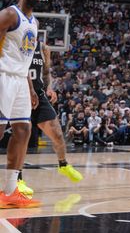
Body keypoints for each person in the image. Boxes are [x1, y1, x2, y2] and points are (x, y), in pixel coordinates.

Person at [17, 42, 83, 198]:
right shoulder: (17, 43)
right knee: (22, 139)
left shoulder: (43, 48)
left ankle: (63, 164)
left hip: (39, 96)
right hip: (20, 95)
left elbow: (46, 72)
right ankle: (18, 179)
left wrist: (49, 87)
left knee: (58, 135)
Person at [0, 0, 43, 208]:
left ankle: (9, 190)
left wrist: (30, 88)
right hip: (2, 77)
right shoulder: (10, 13)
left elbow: (25, 59)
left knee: (24, 129)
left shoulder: (34, 22)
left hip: (20, 81)